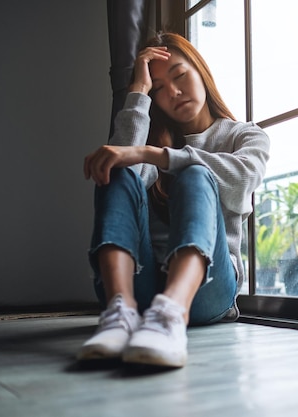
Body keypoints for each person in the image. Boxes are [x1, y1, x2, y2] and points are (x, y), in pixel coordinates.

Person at [78, 32, 270, 368]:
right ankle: (119, 311)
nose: (174, 93)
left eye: (180, 76)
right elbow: (125, 174)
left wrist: (156, 155)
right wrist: (137, 92)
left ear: (201, 72)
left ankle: (171, 313)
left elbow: (242, 179)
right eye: (159, 89)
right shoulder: (154, 138)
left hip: (208, 291)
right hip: (144, 288)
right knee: (118, 168)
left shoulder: (245, 135)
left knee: (195, 174)